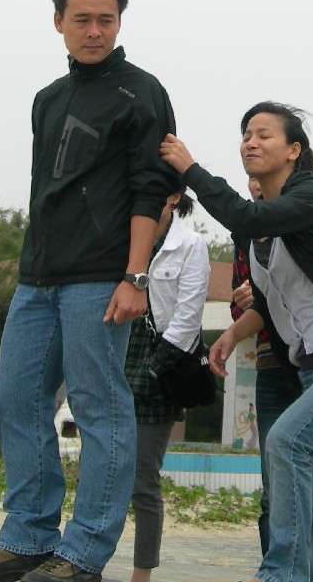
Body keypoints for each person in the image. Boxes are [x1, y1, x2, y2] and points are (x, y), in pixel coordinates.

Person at [0, 0, 177, 582]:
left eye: (106, 19)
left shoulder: (142, 91)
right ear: (58, 21)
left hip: (102, 277)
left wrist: (135, 277)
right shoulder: (47, 99)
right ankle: (27, 537)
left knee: (98, 407)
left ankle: (83, 553)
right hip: (38, 277)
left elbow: (152, 188)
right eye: (82, 19)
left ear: (120, 22)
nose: (95, 30)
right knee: (14, 398)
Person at [159, 102, 313, 582]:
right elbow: (277, 306)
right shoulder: (258, 239)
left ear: (294, 150)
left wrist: (190, 170)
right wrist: (231, 334)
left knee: (287, 441)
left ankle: (280, 573)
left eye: (264, 134)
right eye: (246, 135)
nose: (250, 142)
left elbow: (245, 217)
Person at [124, 192, 210, 582]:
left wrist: (153, 371)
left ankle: (141, 574)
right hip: (117, 359)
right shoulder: (124, 239)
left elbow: (188, 320)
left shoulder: (190, 245)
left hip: (160, 365)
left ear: (172, 199)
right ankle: (86, 559)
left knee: (143, 478)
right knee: (101, 472)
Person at [229, 177, 304, 554]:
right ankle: (274, 572)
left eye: (264, 177)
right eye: (252, 178)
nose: (257, 186)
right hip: (270, 364)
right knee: (272, 488)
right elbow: (237, 308)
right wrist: (244, 301)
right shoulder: (243, 234)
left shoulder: (306, 218)